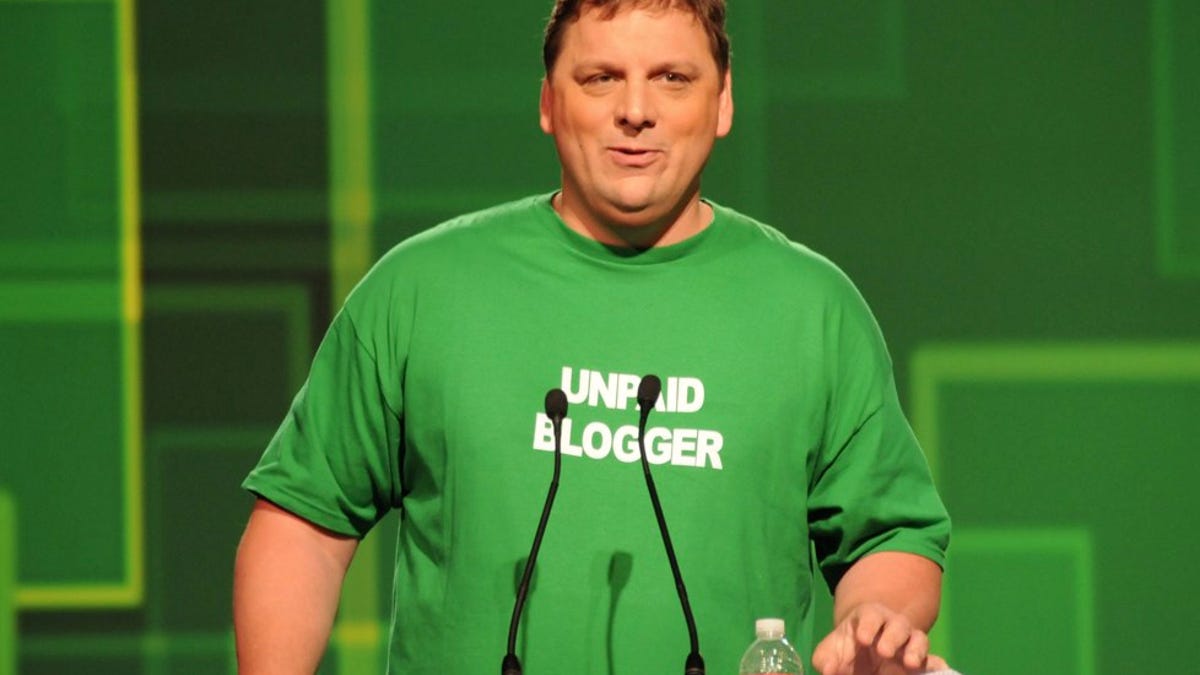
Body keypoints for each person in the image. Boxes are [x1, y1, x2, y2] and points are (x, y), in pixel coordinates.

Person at [234, 1, 953, 674]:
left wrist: (872, 619)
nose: (635, 111)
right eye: (600, 77)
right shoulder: (421, 290)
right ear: (549, 100)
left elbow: (891, 535)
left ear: (724, 100)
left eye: (672, 79)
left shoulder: (813, 309)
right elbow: (302, 524)